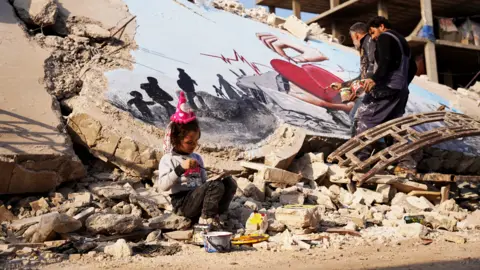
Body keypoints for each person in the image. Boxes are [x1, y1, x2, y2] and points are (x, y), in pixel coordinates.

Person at [157, 91, 237, 229]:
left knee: (229, 182)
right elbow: (163, 186)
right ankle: (206, 219)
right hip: (183, 204)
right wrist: (180, 168)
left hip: (198, 200)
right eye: (189, 142)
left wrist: (217, 176)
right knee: (215, 186)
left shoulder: (197, 157)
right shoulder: (169, 159)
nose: (194, 145)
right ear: (176, 140)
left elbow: (204, 183)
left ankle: (218, 212)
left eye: (196, 141)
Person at [356, 16, 418, 178]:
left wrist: (374, 79)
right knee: (393, 127)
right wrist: (403, 84)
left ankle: (360, 160)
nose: (373, 37)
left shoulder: (385, 37)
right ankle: (406, 164)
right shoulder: (402, 41)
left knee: (366, 117)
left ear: (382, 26)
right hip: (401, 90)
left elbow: (385, 61)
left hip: (388, 88)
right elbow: (413, 67)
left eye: (373, 32)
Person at [330, 22, 377, 136]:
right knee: (357, 118)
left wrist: (361, 89)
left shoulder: (369, 43)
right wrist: (343, 85)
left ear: (356, 35)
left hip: (373, 91)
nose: (353, 42)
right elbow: (363, 76)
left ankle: (359, 148)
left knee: (356, 118)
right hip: (371, 90)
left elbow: (372, 68)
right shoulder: (366, 46)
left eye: (352, 38)